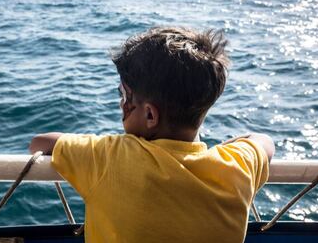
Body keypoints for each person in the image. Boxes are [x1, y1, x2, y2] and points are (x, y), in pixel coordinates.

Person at [29, 27, 275, 243]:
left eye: (124, 96)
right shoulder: (238, 165)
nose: (121, 104)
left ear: (150, 116)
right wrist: (233, 147)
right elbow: (265, 142)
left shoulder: (109, 158)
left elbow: (39, 142)